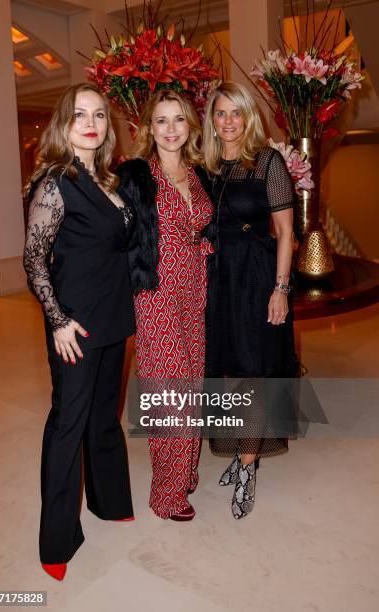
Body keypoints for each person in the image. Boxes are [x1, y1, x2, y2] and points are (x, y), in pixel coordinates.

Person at [23, 82, 135, 580]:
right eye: (79, 115)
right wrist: (58, 321)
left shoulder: (111, 180)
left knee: (105, 417)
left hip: (113, 316)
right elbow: (34, 261)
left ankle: (109, 502)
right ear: (63, 124)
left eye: (99, 115)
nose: (91, 123)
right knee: (68, 424)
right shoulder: (55, 181)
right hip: (76, 322)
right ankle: (56, 541)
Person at [116, 90, 214, 521]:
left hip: (195, 288)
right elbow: (115, 234)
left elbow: (204, 226)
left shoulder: (197, 174)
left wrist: (206, 246)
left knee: (191, 383)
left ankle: (185, 470)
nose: (171, 129)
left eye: (178, 119)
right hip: (155, 292)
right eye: (161, 121)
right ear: (148, 128)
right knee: (168, 390)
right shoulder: (137, 175)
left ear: (190, 125)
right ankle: (166, 494)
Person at [202, 81, 298, 519]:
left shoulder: (267, 162)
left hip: (256, 278)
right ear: (211, 119)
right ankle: (245, 448)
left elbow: (286, 233)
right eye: (220, 113)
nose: (228, 122)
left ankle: (246, 466)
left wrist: (280, 289)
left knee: (253, 372)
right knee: (226, 370)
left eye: (235, 113)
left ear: (248, 116)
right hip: (216, 279)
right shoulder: (202, 165)